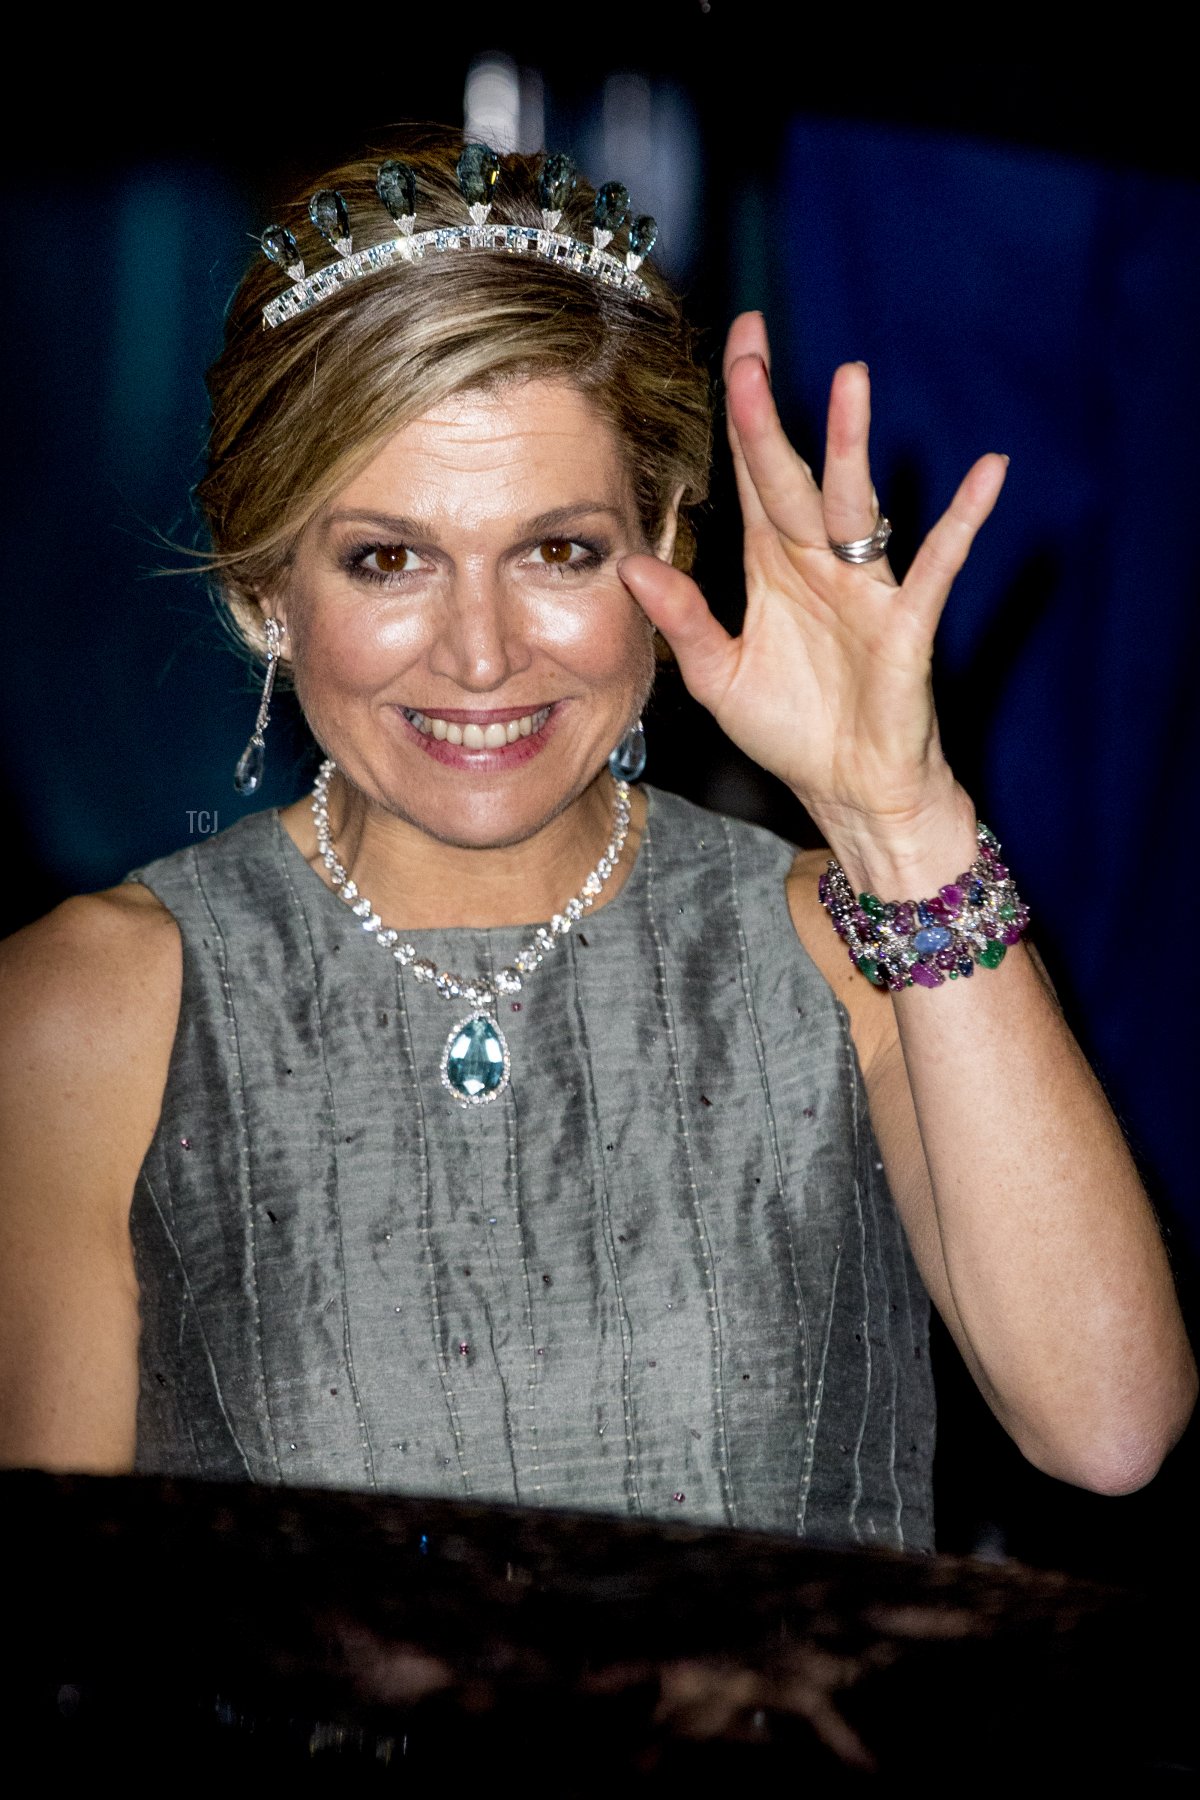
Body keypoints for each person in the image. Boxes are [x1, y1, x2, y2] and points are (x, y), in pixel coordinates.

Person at [0, 131, 1192, 1554]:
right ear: (268, 588)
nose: (483, 653)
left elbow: (1113, 1430)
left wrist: (899, 815)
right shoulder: (90, 1008)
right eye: (388, 558)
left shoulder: (845, 940)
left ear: (666, 544)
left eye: (556, 551)